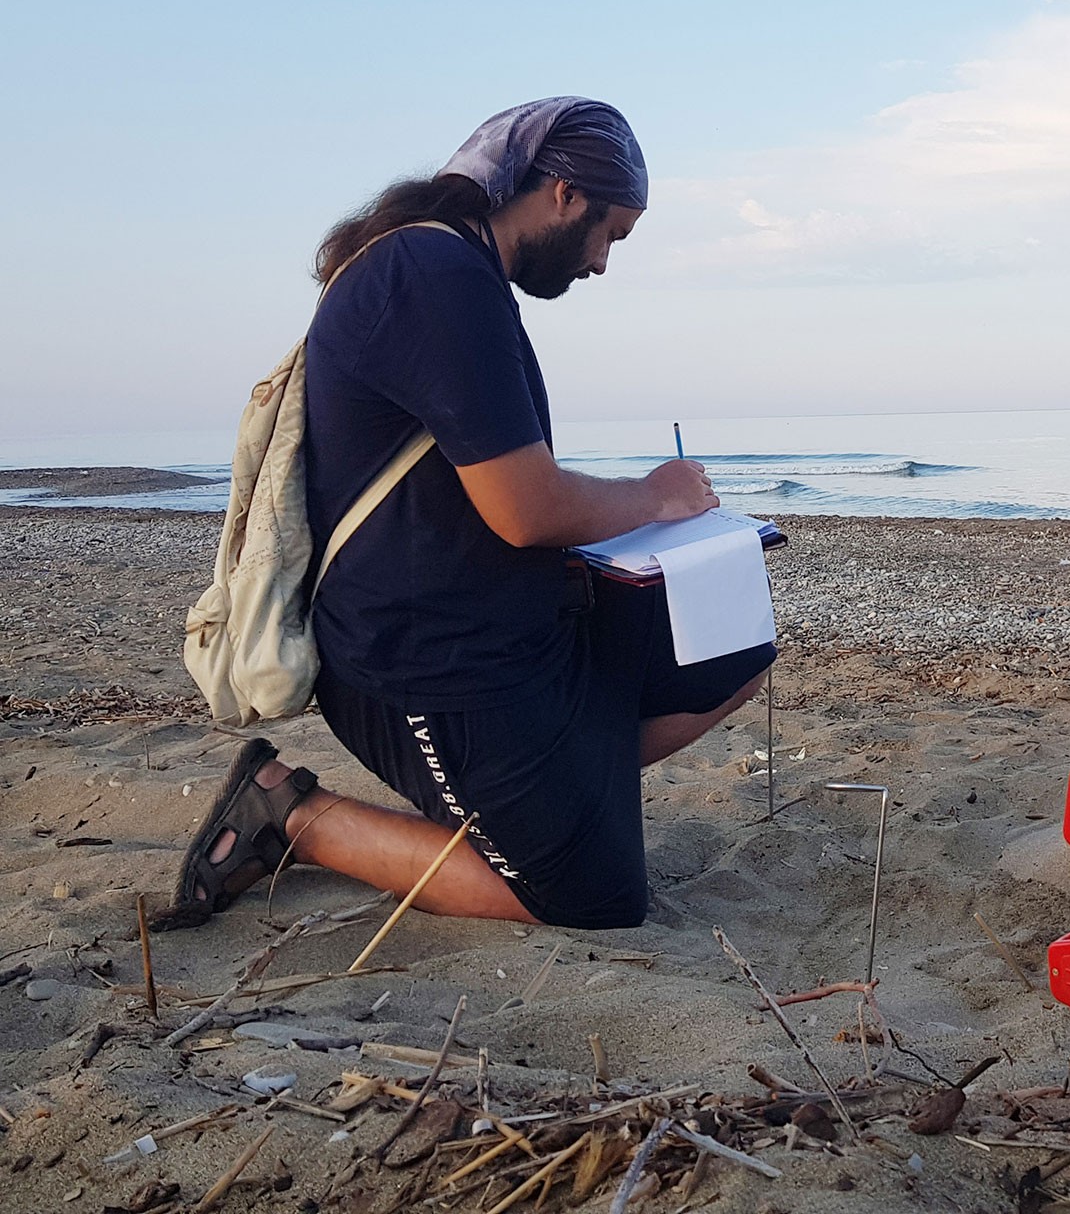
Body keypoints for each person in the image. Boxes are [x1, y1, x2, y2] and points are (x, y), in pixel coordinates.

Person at [155, 98, 773, 932]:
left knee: (733, 653)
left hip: (506, 630)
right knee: (590, 902)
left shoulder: (458, 275)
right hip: (424, 659)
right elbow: (523, 508)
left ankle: (534, 803)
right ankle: (287, 813)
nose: (600, 262)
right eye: (609, 233)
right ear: (561, 193)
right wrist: (657, 497)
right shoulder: (431, 276)